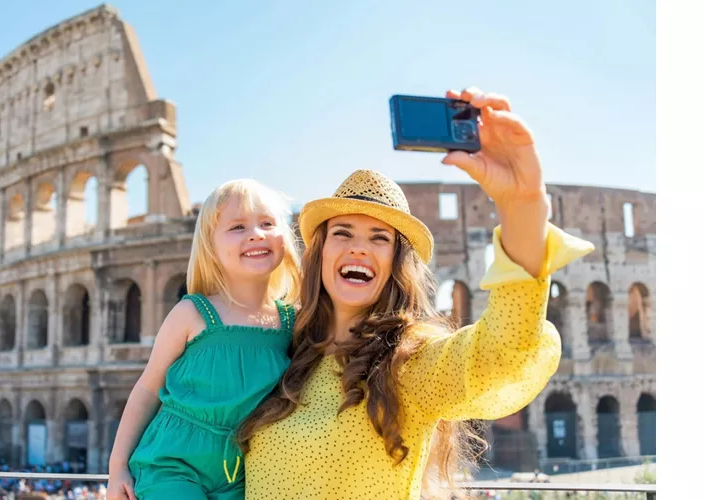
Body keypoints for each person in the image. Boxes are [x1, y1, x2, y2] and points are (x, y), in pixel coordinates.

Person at [237, 87, 595, 499]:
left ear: (394, 264)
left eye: (379, 237)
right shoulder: (283, 349)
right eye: (343, 233)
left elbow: (504, 352)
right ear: (319, 254)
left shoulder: (407, 361)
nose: (359, 247)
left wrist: (523, 203)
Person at [106, 179, 302, 500]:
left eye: (267, 223)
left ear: (285, 238)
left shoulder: (293, 322)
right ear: (210, 245)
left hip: (245, 470)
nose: (255, 233)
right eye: (237, 226)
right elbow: (147, 387)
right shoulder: (192, 313)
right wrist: (117, 467)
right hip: (173, 462)